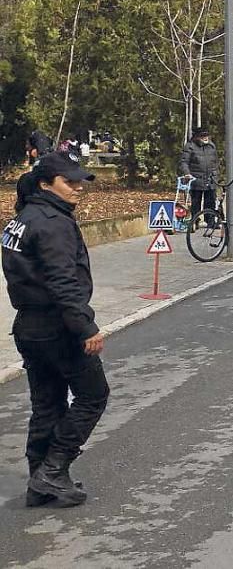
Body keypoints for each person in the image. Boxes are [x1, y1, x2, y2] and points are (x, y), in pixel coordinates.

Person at [1, 152, 110, 508]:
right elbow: (63, 282)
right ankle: (54, 467)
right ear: (47, 184)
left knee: (46, 403)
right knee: (93, 395)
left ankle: (40, 482)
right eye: (69, 182)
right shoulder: (53, 223)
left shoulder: (23, 219)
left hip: (29, 326)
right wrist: (86, 328)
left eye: (80, 181)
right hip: (58, 326)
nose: (78, 187)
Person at [179, 127, 219, 217]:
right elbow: (184, 162)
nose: (205, 138)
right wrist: (187, 173)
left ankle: (210, 221)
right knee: (196, 202)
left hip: (210, 179)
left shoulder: (211, 146)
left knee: (210, 202)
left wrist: (216, 174)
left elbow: (216, 161)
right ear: (197, 137)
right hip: (196, 180)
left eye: (206, 135)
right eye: (203, 136)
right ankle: (195, 221)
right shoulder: (190, 146)